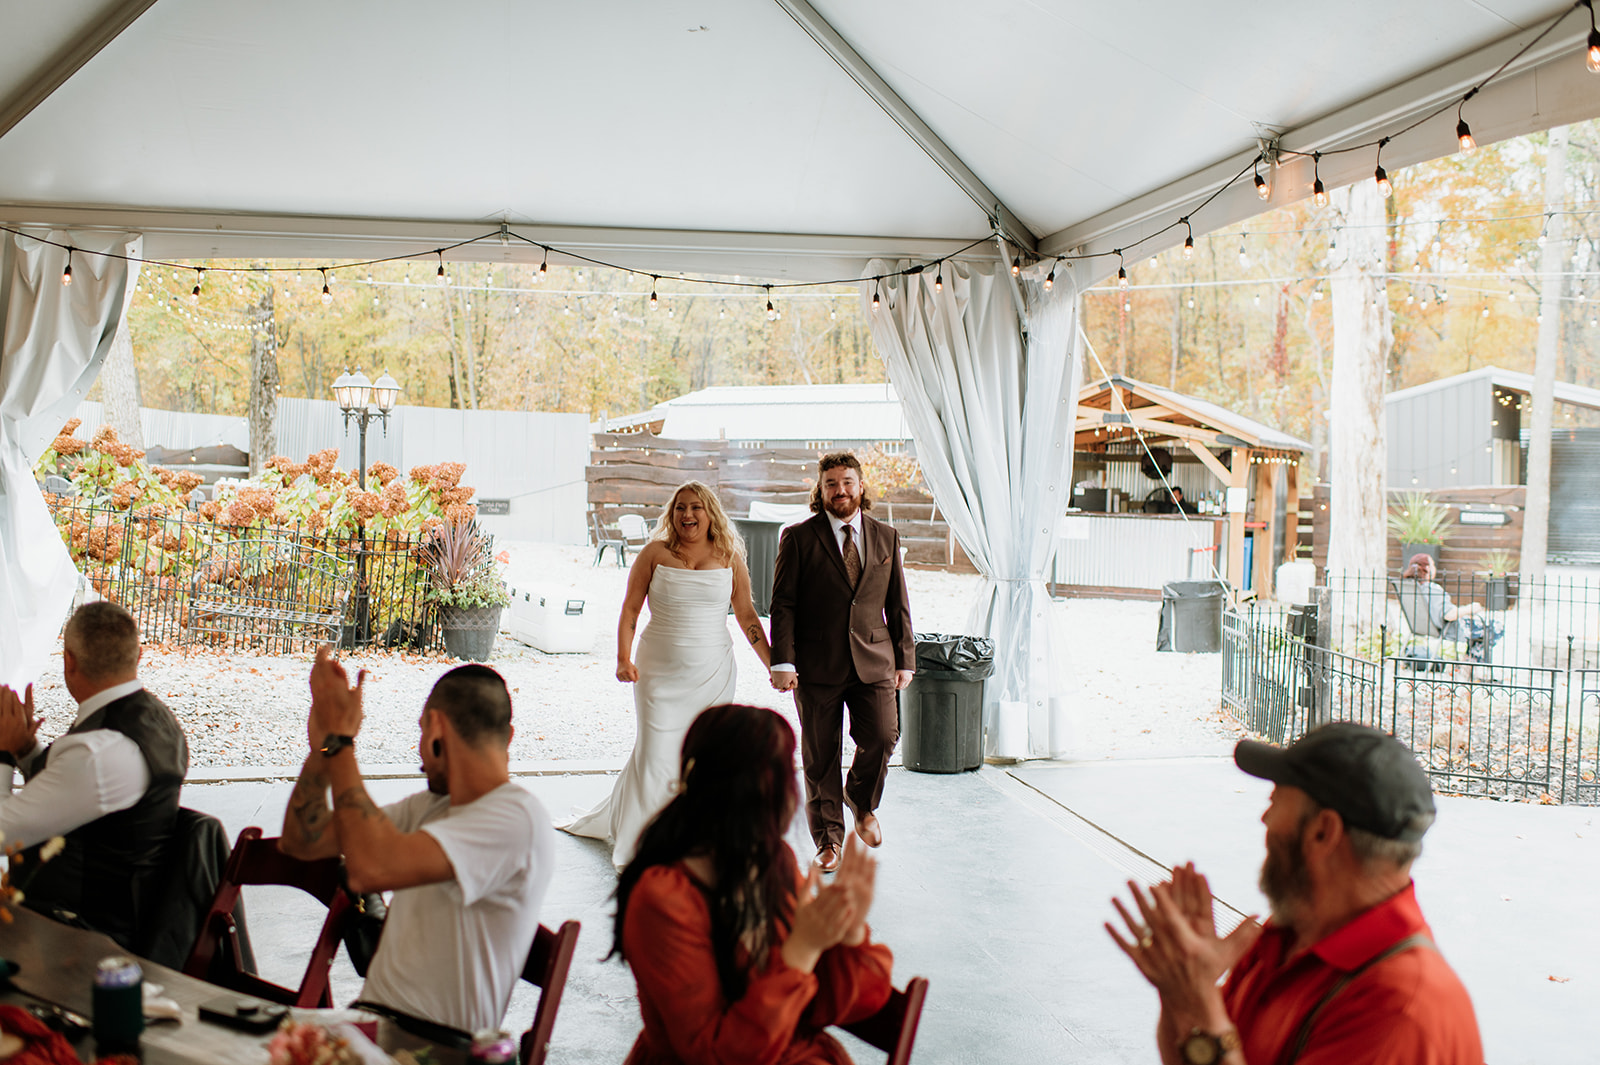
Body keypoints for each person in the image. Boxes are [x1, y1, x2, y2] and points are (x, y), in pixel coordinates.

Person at [1106, 722, 1482, 1065]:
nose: (1264, 818)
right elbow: (1197, 1053)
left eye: (1275, 800)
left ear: (1322, 832)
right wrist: (1180, 991)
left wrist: (1198, 999)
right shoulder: (1289, 934)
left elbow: (1211, 1037)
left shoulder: (1399, 1010)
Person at [280, 650, 554, 1036]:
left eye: (421, 732)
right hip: (373, 1027)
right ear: (508, 735)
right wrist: (323, 749)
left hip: (436, 1048)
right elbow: (301, 841)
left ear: (435, 727)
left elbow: (368, 868)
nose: (419, 750)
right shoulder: (430, 807)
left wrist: (341, 740)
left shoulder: (516, 817)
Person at [614, 703, 893, 1065]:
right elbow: (712, 1052)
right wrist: (803, 950)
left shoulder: (774, 861)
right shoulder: (664, 897)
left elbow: (847, 1004)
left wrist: (849, 930)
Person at [563, 481, 771, 870]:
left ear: (711, 514)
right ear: (671, 514)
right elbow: (629, 611)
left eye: (695, 508)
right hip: (658, 671)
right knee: (656, 753)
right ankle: (644, 841)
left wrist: (773, 663)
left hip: (713, 672)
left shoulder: (729, 557)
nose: (687, 515)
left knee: (701, 757)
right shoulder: (654, 554)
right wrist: (623, 659)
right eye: (680, 508)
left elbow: (746, 617)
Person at [0, 602, 187, 950]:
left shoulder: (96, 752)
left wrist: (0, 754)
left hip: (75, 937)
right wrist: (24, 748)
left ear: (69, 661)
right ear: (138, 656)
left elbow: (1, 833)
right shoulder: (158, 720)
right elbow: (75, 793)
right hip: (122, 916)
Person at [769, 453, 913, 872]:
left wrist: (906, 658)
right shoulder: (797, 538)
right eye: (831, 483)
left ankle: (862, 802)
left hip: (875, 659)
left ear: (861, 485)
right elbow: (784, 605)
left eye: (847, 482)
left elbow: (897, 603)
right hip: (816, 665)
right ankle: (828, 839)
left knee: (885, 736)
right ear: (821, 489)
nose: (840, 490)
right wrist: (784, 661)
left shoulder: (886, 536)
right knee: (820, 756)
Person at [1399, 553, 1500, 662]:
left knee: (1482, 632)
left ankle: (1471, 665)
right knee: (1494, 627)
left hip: (1426, 627)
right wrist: (1470, 608)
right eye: (1433, 564)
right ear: (1427, 568)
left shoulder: (1410, 588)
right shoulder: (1432, 589)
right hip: (1450, 629)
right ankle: (1473, 665)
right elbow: (1449, 615)